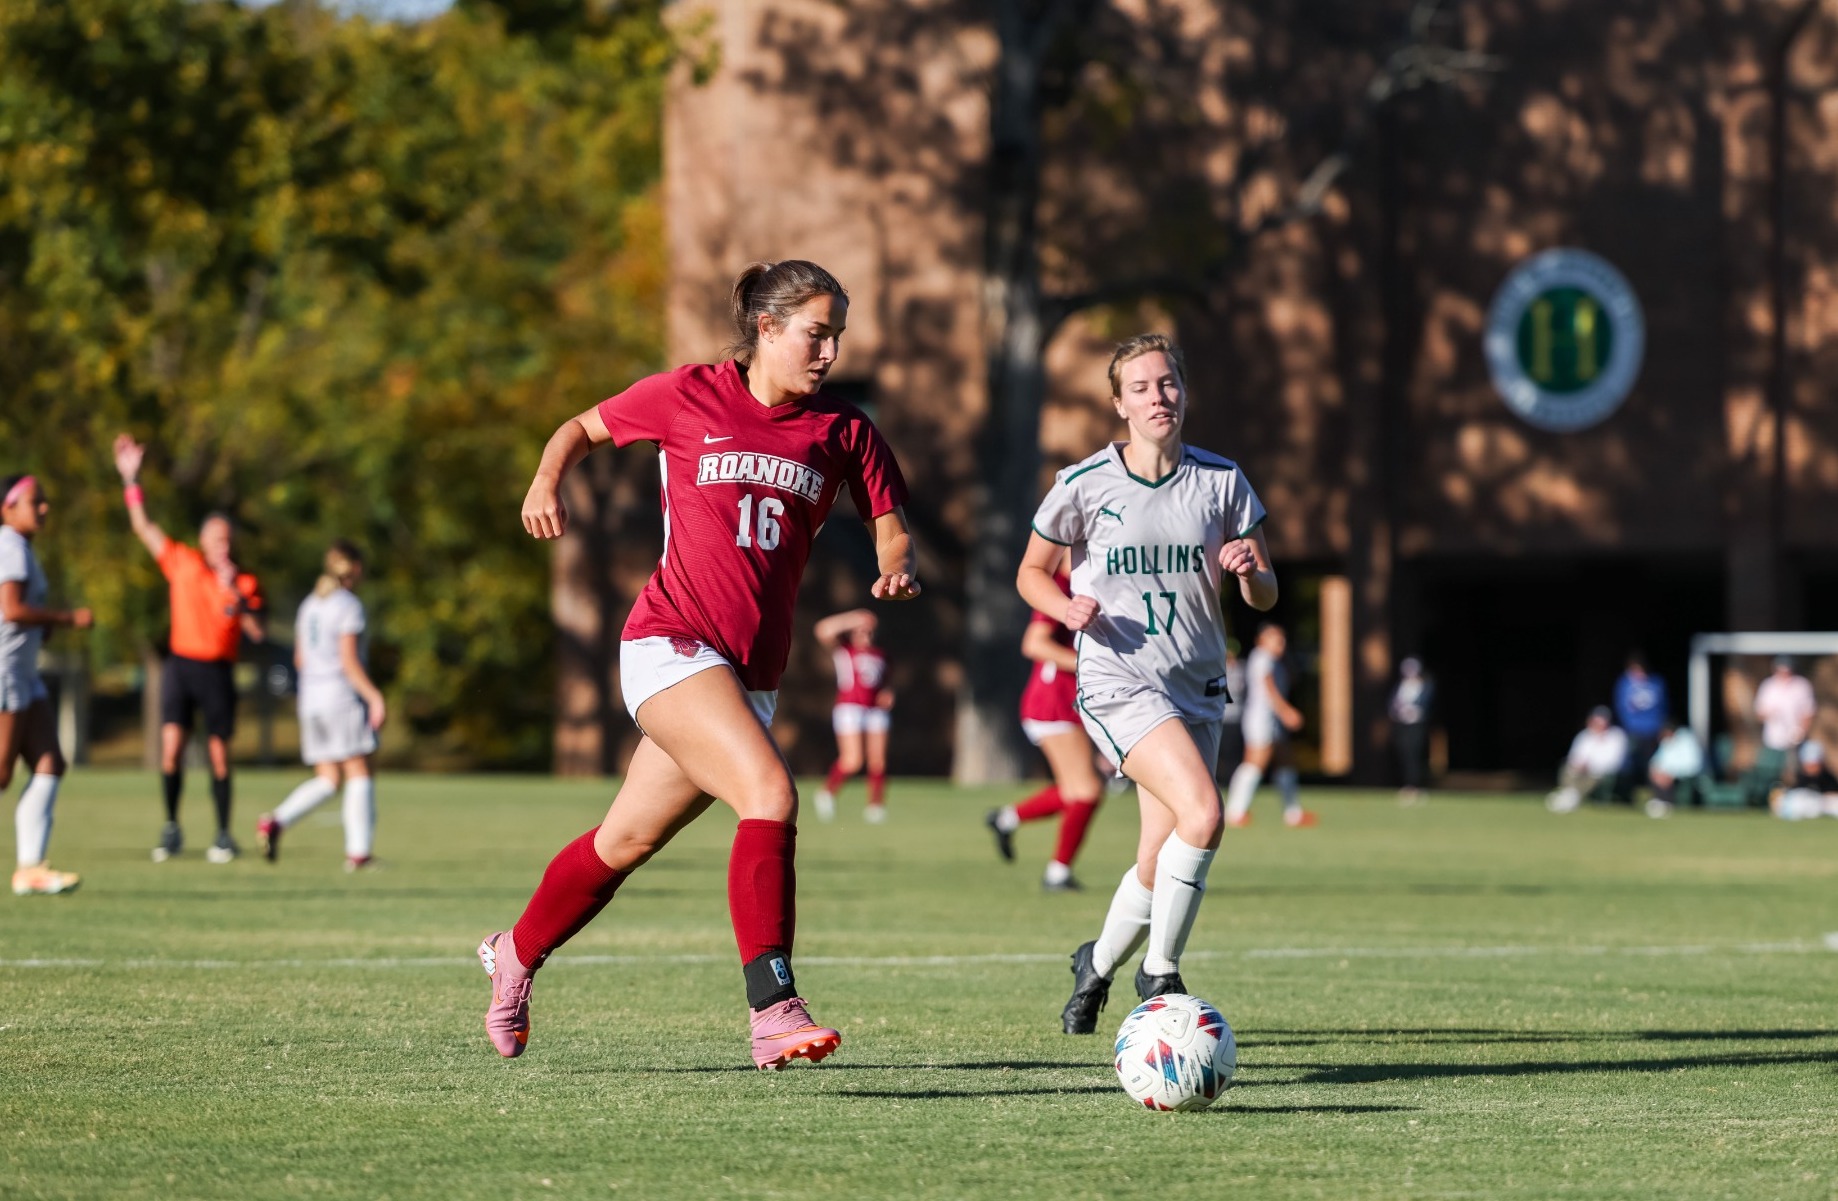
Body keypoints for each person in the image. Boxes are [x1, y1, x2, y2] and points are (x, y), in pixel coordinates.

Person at [478, 260, 918, 1070]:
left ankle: (513, 953)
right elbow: (579, 427)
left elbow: (889, 520)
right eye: (816, 334)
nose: (828, 352)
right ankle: (774, 1005)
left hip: (748, 678)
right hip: (668, 642)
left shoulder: (843, 430)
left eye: (837, 337)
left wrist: (896, 562)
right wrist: (546, 480)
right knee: (771, 793)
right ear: (767, 328)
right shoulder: (689, 394)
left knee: (625, 839)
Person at [1019, 332, 1275, 1035]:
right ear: (1117, 404)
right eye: (1141, 387)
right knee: (1206, 812)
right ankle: (1160, 970)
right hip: (1118, 683)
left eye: (1168, 384)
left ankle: (1093, 966)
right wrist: (1061, 605)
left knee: (1158, 856)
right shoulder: (1083, 483)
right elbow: (1030, 572)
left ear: (1184, 393)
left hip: (1198, 685)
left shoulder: (1222, 479)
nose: (1158, 397)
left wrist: (1251, 568)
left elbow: (1265, 595)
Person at [113, 435, 266, 863]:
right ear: (203, 540)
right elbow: (143, 526)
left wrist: (234, 590)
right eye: (215, 538)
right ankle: (172, 826)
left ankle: (222, 833)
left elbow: (256, 630)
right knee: (171, 748)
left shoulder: (245, 582)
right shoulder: (182, 563)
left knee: (218, 753)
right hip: (181, 665)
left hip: (217, 670)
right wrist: (131, 480)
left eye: (227, 539)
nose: (222, 544)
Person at [256, 542, 387, 869]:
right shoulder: (347, 605)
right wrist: (373, 696)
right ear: (354, 568)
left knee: (329, 778)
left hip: (311, 698)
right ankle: (359, 854)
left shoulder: (310, 604)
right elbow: (348, 661)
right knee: (359, 769)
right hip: (340, 696)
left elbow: (300, 658)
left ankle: (276, 820)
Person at [984, 564, 1106, 891]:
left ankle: (1006, 819)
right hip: (1053, 701)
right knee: (1087, 790)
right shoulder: (1062, 585)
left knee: (1076, 789)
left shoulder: (1094, 582)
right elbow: (1034, 644)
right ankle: (1057, 873)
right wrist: (1094, 666)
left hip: (1071, 701)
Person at [1, 475, 93, 896]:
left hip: (23, 672)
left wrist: (45, 628)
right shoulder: (10, 546)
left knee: (50, 762)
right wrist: (65, 619)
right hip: (5, 671)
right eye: (35, 501)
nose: (44, 508)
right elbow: (13, 609)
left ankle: (29, 868)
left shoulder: (22, 549)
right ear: (8, 507)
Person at [1223, 623, 1312, 828]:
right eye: (1275, 639)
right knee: (1255, 762)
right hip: (1260, 719)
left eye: (1282, 639)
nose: (1280, 643)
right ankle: (1236, 811)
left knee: (1285, 761)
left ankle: (1293, 812)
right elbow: (1268, 687)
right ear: (1261, 640)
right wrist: (1286, 711)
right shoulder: (1262, 658)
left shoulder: (1276, 661)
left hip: (1272, 720)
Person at [810, 609, 893, 823]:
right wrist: (854, 618)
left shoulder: (880, 654)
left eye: (869, 631)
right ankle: (826, 793)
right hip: (850, 708)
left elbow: (883, 682)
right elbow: (822, 630)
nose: (865, 634)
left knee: (878, 761)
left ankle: (875, 807)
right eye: (861, 631)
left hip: (875, 709)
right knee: (853, 761)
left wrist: (888, 693)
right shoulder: (845, 651)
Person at [1546, 706, 1628, 813]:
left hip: (1603, 771)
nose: (1599, 725)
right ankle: (1569, 795)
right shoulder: (1584, 736)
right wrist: (1580, 764)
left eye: (1602, 722)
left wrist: (1592, 765)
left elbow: (1615, 762)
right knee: (1568, 767)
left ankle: (1572, 798)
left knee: (1594, 776)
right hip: (1581, 770)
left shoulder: (1617, 736)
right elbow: (1575, 756)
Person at [1613, 654, 1668, 788]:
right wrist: (1628, 726)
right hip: (1632, 730)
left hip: (1652, 730)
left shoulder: (1656, 682)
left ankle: (1652, 789)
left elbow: (1664, 706)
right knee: (1630, 762)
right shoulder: (1624, 684)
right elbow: (1621, 707)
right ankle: (1630, 790)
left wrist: (1661, 726)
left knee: (1653, 762)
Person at [1754, 655, 1816, 771]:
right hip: (1772, 741)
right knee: (1770, 771)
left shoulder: (1802, 686)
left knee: (1793, 771)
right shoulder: (1768, 686)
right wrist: (1770, 715)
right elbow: (1759, 714)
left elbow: (1809, 712)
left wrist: (1800, 731)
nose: (1784, 674)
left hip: (1794, 741)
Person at [1389, 656, 1434, 804]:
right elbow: (1392, 705)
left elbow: (1427, 706)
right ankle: (1407, 785)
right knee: (1405, 754)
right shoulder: (1400, 686)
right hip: (1403, 726)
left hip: (1416, 726)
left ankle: (1417, 786)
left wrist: (1415, 712)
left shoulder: (1425, 686)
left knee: (1416, 755)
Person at [1643, 719, 1704, 819]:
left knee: (1664, 778)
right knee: (1655, 774)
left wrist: (1671, 773)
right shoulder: (1666, 742)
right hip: (1665, 775)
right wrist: (1656, 771)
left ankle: (1667, 804)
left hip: (1685, 775)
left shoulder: (1688, 740)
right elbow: (1656, 760)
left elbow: (1693, 764)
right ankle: (1660, 803)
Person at [1772, 741, 1838, 820]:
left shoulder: (1827, 776)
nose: (1812, 767)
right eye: (1809, 764)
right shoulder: (1798, 777)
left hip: (1824, 805)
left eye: (1815, 763)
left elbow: (1832, 793)